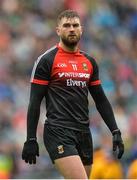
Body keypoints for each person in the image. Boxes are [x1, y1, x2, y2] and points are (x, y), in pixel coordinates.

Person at [22, 9, 124, 179]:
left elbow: (101, 100)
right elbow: (34, 102)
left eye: (75, 25)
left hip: (84, 132)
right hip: (58, 131)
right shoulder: (46, 60)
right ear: (58, 30)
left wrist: (115, 130)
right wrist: (31, 138)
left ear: (81, 29)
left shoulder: (89, 62)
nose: (71, 29)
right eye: (67, 25)